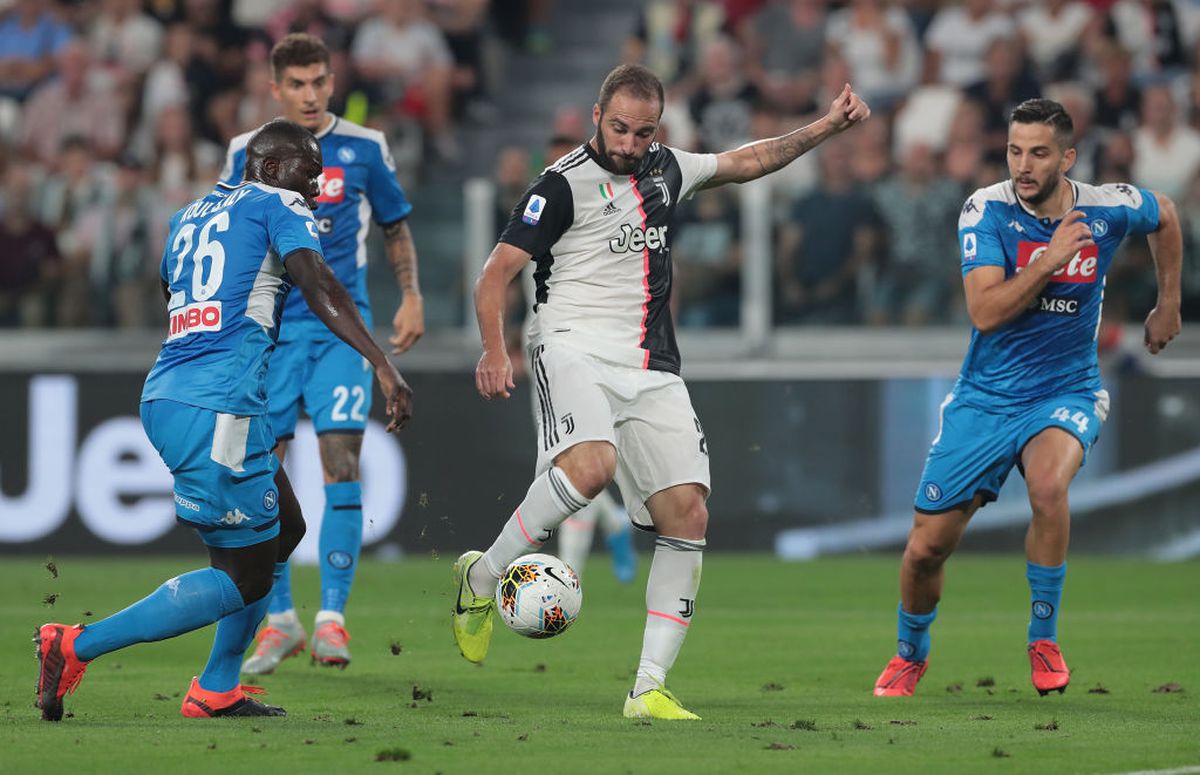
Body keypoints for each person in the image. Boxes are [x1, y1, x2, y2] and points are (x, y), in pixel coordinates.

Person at [454, 63, 870, 720]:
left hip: (650, 365)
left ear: (658, 129)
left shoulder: (667, 168)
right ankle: (481, 576)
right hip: (569, 342)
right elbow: (494, 273)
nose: (627, 142)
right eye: (618, 127)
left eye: (641, 131)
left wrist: (825, 126)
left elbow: (750, 159)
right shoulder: (559, 187)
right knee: (591, 466)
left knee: (688, 514)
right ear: (597, 116)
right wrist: (493, 348)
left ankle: (647, 688)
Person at [35, 119, 413, 721]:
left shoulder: (191, 212)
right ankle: (75, 644)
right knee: (242, 575)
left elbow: (170, 288)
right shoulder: (277, 202)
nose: (315, 189)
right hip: (218, 407)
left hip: (184, 392)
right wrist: (381, 363)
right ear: (268, 168)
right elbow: (318, 283)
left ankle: (217, 688)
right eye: (307, 175)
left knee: (284, 528)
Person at [873, 99, 1181, 698]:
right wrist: (1048, 262)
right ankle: (911, 652)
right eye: (1015, 151)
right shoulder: (984, 210)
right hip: (985, 397)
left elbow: (1165, 213)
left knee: (1047, 487)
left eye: (1038, 153)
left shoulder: (1105, 206)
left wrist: (1167, 302)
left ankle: (1043, 639)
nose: (1023, 165)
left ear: (1067, 157)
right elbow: (985, 312)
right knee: (924, 550)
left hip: (1067, 390)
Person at [220, 34, 424, 674]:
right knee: (263, 476)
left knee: (341, 461)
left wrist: (412, 295)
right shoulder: (246, 152)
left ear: (332, 82)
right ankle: (280, 621)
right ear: (276, 89)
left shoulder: (365, 147)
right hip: (270, 333)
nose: (310, 95)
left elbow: (393, 222)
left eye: (319, 82)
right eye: (297, 85)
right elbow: (229, 232)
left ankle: (332, 619)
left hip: (342, 329)